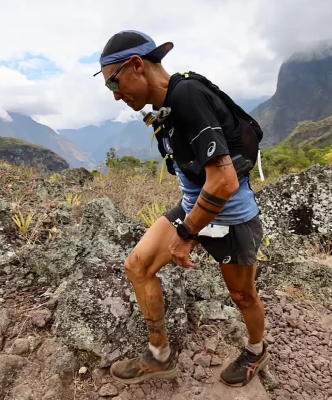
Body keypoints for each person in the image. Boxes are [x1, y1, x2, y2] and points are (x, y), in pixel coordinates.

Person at [94, 30, 269, 387]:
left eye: (114, 85)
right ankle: (159, 356)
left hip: (231, 219)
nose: (116, 97)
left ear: (136, 66)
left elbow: (223, 182)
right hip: (194, 209)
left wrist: (186, 235)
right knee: (138, 266)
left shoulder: (187, 95)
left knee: (242, 295)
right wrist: (188, 224)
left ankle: (256, 349)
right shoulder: (167, 105)